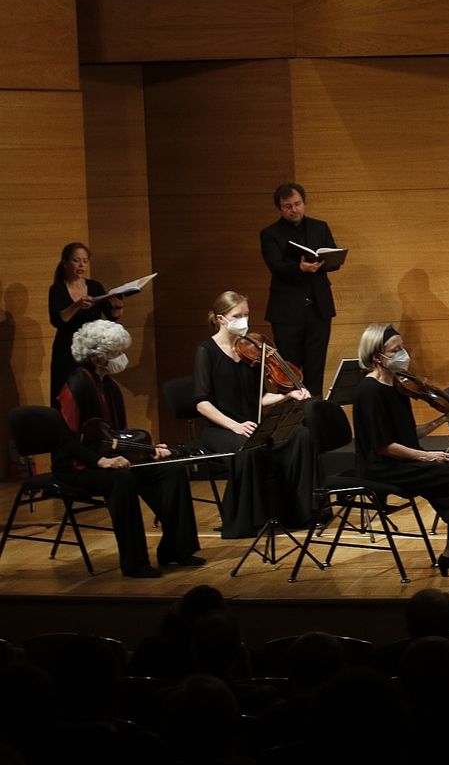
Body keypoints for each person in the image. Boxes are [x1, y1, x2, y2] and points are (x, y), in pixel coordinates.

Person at [54, 320, 202, 578]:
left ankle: (176, 549)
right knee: (122, 480)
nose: (122, 358)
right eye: (117, 353)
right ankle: (135, 563)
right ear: (100, 356)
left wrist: (147, 451)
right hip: (79, 466)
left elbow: (116, 436)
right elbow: (65, 440)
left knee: (170, 471)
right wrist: (100, 461)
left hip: (112, 458)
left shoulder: (108, 384)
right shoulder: (77, 384)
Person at [353, 323, 449, 576]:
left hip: (404, 458)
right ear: (377, 357)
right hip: (382, 466)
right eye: (395, 350)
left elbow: (408, 434)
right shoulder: (370, 391)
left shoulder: (398, 385)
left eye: (402, 347)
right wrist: (427, 455)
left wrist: (445, 417)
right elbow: (383, 446)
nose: (403, 354)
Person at [191, 291, 317, 538]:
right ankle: (253, 520)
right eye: (237, 315)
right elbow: (201, 403)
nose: (244, 320)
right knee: (250, 447)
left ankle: (299, 513)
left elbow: (259, 399)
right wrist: (234, 426)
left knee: (301, 435)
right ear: (220, 319)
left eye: (246, 315)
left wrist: (287, 395)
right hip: (221, 430)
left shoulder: (250, 351)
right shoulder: (206, 351)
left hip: (253, 425)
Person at [259, 182, 338, 395]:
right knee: (290, 371)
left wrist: (327, 261)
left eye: (297, 204)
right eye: (288, 206)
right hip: (287, 312)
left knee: (316, 367)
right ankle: (294, 423)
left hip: (318, 309)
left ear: (304, 203)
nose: (294, 210)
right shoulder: (270, 233)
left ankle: (316, 419)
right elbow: (275, 265)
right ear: (280, 208)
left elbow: (334, 258)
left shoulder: (319, 227)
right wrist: (300, 268)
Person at [47, 242, 124, 401]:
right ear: (65, 263)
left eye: (85, 260)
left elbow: (111, 316)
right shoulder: (57, 289)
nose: (81, 264)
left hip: (92, 350)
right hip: (67, 349)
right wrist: (77, 305)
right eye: (76, 260)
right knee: (67, 395)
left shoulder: (95, 286)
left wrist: (118, 307)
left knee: (92, 396)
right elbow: (58, 320)